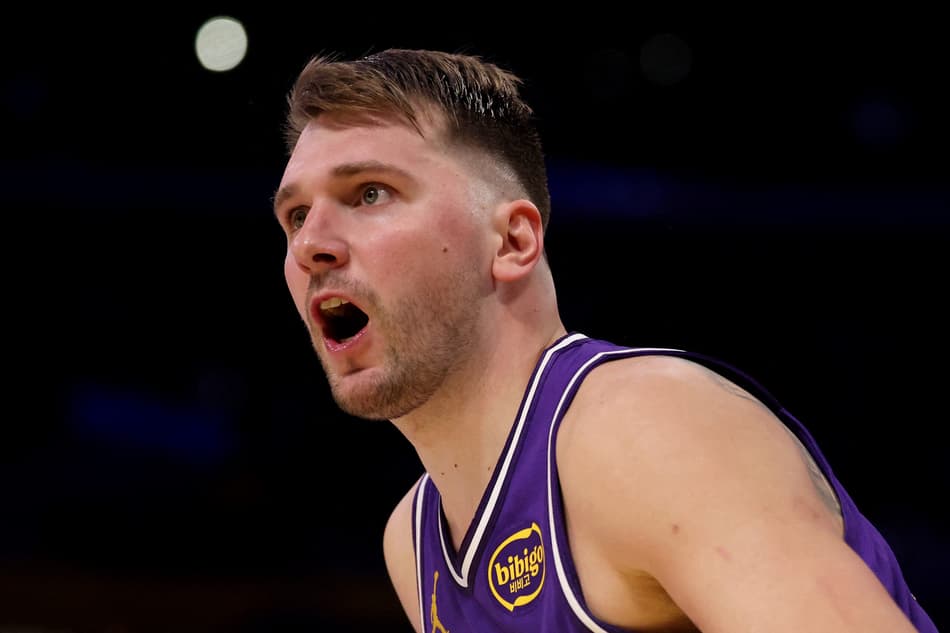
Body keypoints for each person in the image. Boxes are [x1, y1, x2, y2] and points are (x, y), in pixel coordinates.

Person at [271, 48, 938, 632]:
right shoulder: (414, 539)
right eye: (296, 215)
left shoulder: (641, 428)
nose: (310, 245)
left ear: (512, 241)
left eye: (369, 194)